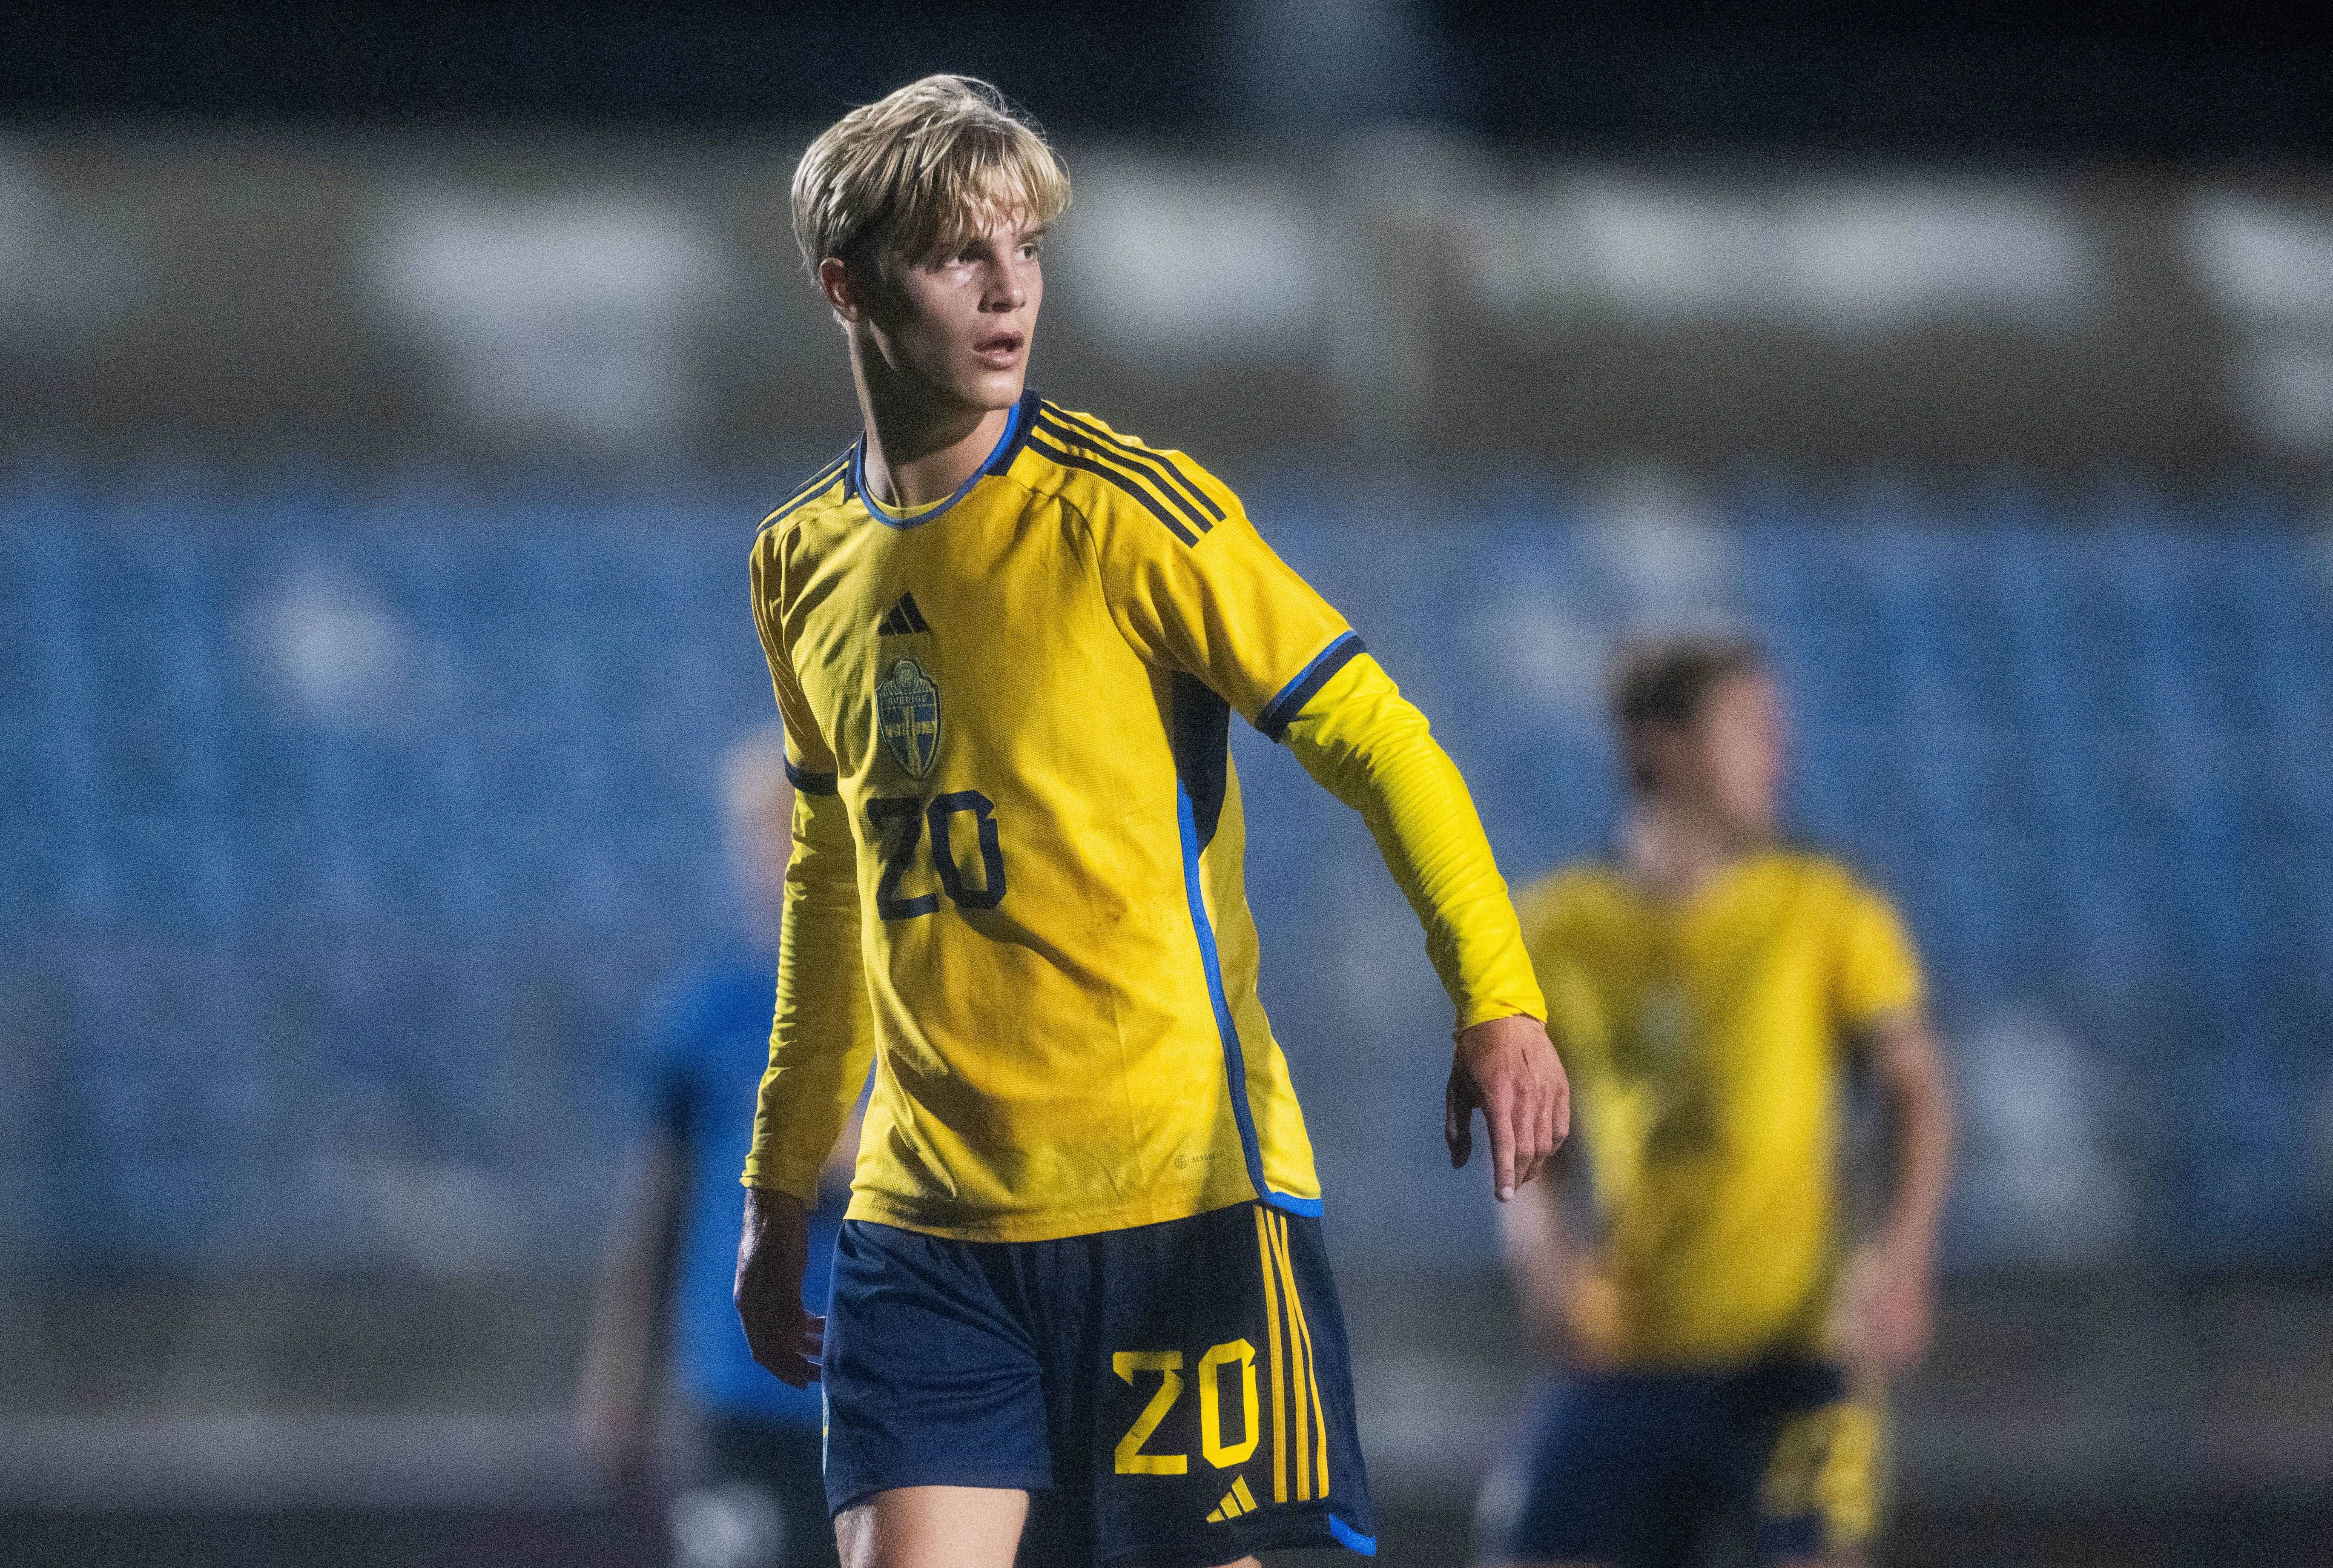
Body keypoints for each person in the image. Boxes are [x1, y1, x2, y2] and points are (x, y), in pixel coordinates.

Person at [732, 75, 1571, 1568]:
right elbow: (833, 881)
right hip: (927, 1233)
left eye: (1027, 250)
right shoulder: (798, 563)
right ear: (845, 285)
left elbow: (1379, 733)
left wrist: (1496, 997)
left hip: (1173, 1198)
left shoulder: (1129, 515)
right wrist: (782, 1180)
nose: (1008, 294)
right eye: (956, 256)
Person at [1483, 637, 1955, 1568]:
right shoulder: (1556, 928)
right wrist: (1541, 1248)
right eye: (1750, 727)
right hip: (1627, 1351)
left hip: (1792, 1358)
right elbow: (1532, 1129)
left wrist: (1898, 1256)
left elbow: (1913, 1087)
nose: (1778, 752)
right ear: (1657, 745)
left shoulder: (1826, 909)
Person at [579, 733, 849, 1568]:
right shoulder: (706, 1020)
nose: (776, 860)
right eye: (763, 836)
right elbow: (657, 1215)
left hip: (886, 1397)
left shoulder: (914, 1012)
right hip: (743, 1394)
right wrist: (618, 1379)